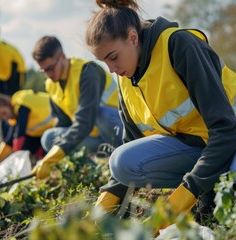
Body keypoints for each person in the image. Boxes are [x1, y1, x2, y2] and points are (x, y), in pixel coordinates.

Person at [85, 0, 236, 232]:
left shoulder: (179, 45)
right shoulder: (126, 77)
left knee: (232, 190)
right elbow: (132, 142)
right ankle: (211, 184)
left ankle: (211, 186)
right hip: (203, 147)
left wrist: (186, 194)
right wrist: (102, 207)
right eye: (103, 61)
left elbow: (226, 130)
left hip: (230, 137)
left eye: (113, 57)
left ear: (133, 38)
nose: (111, 69)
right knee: (121, 162)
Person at [30, 36, 123, 180]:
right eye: (43, 71)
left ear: (62, 57)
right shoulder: (51, 84)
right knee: (49, 138)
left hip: (117, 130)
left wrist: (56, 154)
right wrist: (49, 158)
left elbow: (85, 121)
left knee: (100, 114)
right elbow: (63, 123)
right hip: (92, 137)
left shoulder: (88, 71)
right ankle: (94, 174)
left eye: (50, 68)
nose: (48, 75)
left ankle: (123, 165)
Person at [0, 89, 55, 171]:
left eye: (4, 113)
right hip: (48, 130)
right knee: (25, 141)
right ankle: (42, 156)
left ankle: (46, 158)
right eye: (1, 117)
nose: (5, 118)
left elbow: (19, 134)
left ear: (7, 104)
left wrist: (15, 160)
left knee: (24, 141)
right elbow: (9, 140)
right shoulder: (15, 112)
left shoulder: (22, 103)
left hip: (60, 125)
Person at [0, 39, 27, 141]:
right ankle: (5, 139)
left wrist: (8, 97)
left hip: (16, 69)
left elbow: (8, 75)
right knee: (0, 107)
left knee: (12, 105)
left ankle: (15, 137)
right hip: (0, 73)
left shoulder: (4, 53)